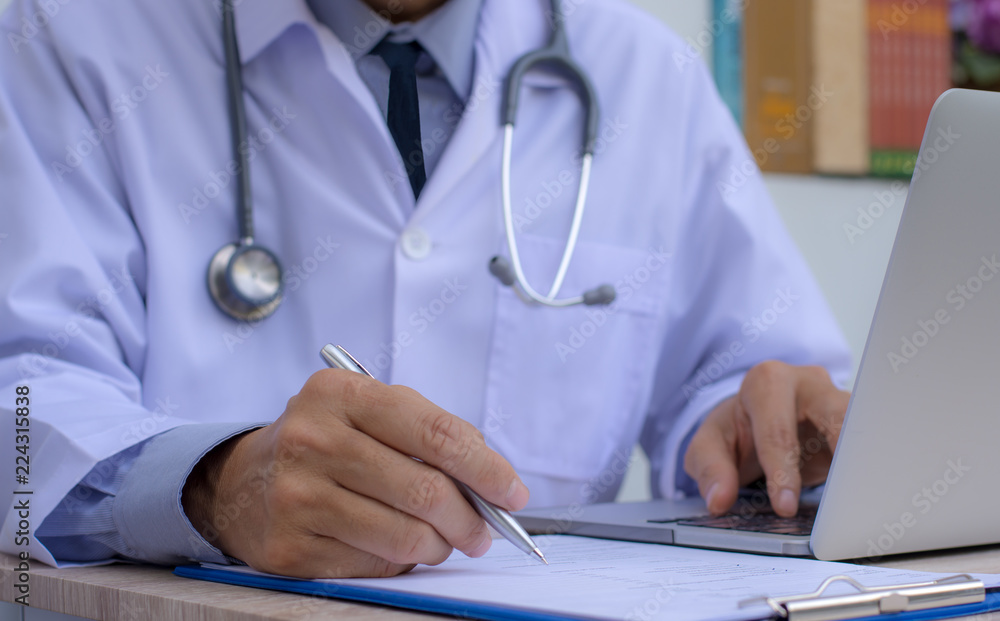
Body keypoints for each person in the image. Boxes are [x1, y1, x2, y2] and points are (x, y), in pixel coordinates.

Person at [0, 0, 852, 578]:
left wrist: (758, 439)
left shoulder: (646, 76)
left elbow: (740, 382)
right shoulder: (63, 36)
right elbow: (23, 401)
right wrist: (210, 486)